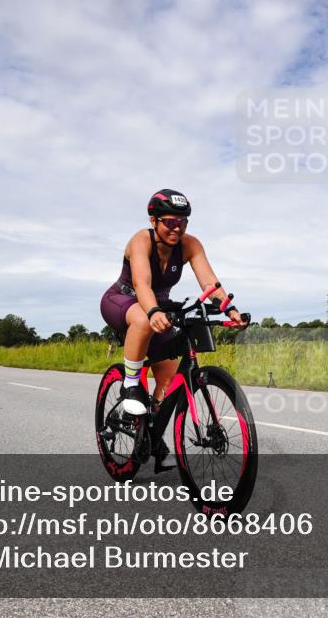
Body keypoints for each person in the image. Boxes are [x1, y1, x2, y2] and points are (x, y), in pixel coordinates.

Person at [100, 189, 247, 471]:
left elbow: (209, 283)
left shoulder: (190, 244)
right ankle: (131, 385)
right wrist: (154, 311)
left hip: (160, 306)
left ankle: (152, 435)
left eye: (182, 222)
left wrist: (230, 309)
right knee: (143, 320)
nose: (176, 228)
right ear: (153, 220)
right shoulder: (141, 239)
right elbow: (142, 283)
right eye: (169, 222)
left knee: (168, 383)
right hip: (124, 299)